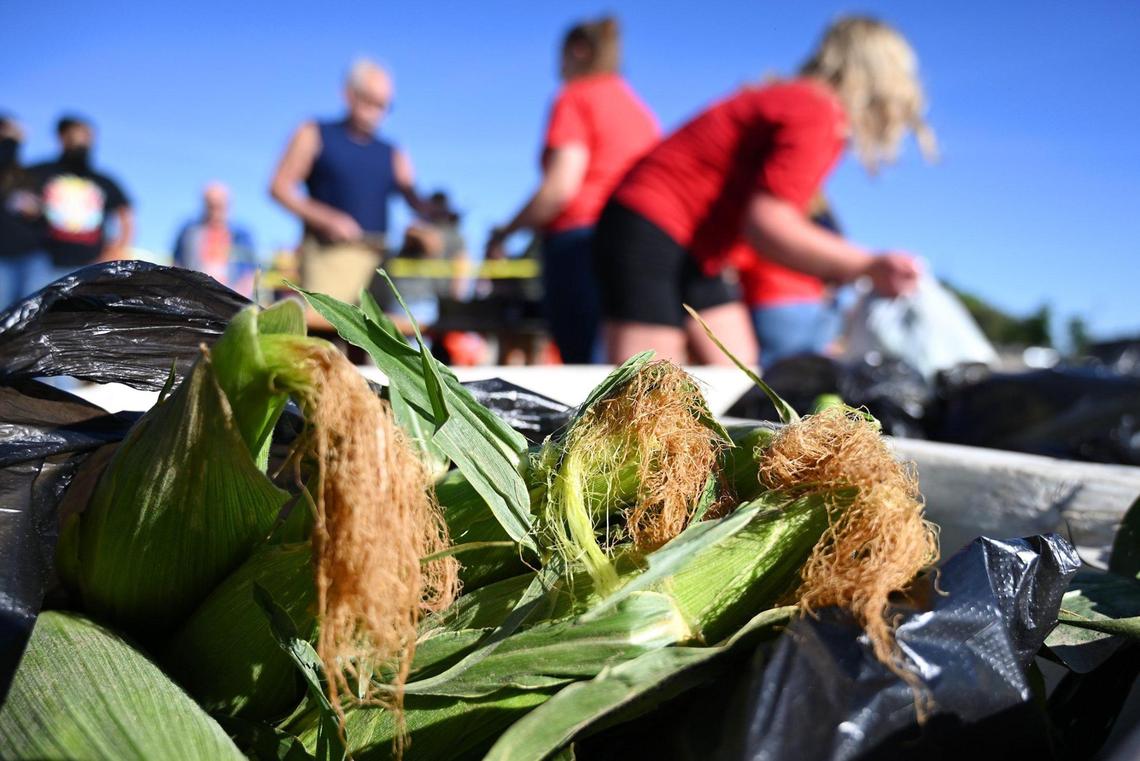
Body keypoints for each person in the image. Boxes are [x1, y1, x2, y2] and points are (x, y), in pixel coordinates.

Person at [594, 16, 936, 365]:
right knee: (647, 389)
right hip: (649, 223)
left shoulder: (799, 102)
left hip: (701, 248)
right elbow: (768, 224)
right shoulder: (815, 110)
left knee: (740, 374)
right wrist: (868, 263)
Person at [486, 16, 659, 364]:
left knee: (583, 369)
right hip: (642, 246)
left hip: (581, 247)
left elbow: (561, 188)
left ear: (577, 51)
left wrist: (505, 232)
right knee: (627, 368)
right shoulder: (639, 110)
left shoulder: (575, 97)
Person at [270, 58, 425, 306]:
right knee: (329, 337)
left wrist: (434, 218)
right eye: (370, 101)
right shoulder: (314, 132)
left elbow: (417, 202)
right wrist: (327, 218)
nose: (377, 112)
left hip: (378, 262)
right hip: (329, 257)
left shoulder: (393, 152)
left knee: (377, 340)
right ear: (349, 94)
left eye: (384, 105)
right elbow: (279, 187)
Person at [733, 196, 845, 367]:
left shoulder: (763, 206)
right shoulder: (817, 215)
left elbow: (737, 259)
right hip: (813, 303)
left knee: (776, 377)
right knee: (808, 376)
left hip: (772, 298)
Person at [27, 115, 133, 280]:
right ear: (62, 137)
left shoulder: (104, 180)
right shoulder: (39, 173)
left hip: (90, 265)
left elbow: (126, 216)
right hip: (43, 262)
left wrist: (115, 250)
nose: (83, 141)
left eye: (88, 136)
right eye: (77, 135)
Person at [381, 190, 470, 332]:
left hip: (427, 301)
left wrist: (455, 302)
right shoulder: (418, 229)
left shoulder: (455, 236)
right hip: (408, 300)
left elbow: (460, 269)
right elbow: (427, 242)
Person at [0, 114, 50, 309]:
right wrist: (12, 140)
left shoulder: (27, 174)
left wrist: (37, 212)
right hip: (3, 257)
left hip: (31, 255)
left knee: (29, 315)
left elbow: (44, 216)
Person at [172, 182, 257, 295]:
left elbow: (249, 274)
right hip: (195, 296)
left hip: (231, 299)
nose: (215, 212)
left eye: (219, 206)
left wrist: (237, 299)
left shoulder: (242, 235)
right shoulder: (188, 232)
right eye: (211, 206)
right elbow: (177, 265)